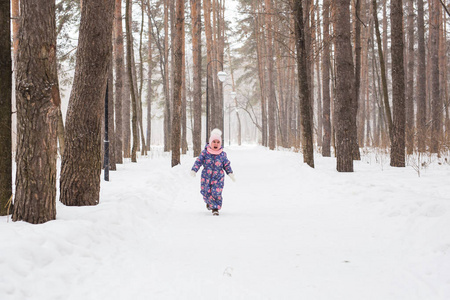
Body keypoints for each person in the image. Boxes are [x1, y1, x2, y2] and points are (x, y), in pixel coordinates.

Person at [191, 129, 235, 216]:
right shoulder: (205, 153)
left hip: (218, 177)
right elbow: (199, 161)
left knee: (216, 192)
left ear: (220, 143)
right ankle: (209, 202)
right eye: (214, 142)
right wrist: (194, 170)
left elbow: (226, 164)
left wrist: (230, 173)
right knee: (206, 192)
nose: (216, 144)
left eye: (218, 142)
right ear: (210, 143)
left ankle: (215, 208)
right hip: (206, 177)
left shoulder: (222, 154)